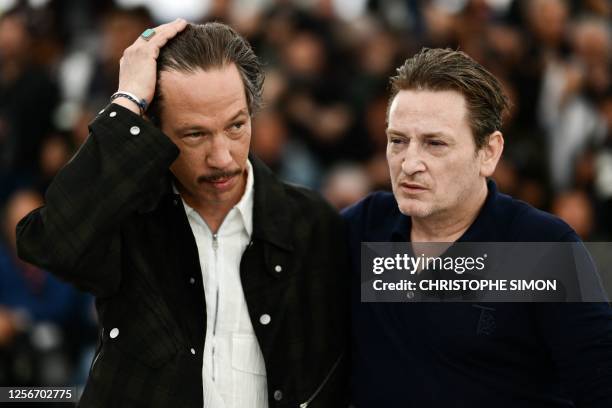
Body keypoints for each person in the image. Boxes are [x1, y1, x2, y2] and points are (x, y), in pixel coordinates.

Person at [17, 20, 348, 407]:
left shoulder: (312, 224)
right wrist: (126, 102)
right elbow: (52, 243)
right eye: (195, 134)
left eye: (237, 126)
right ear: (153, 131)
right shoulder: (129, 216)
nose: (222, 157)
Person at [342, 48, 612, 407]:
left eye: (434, 144)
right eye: (398, 141)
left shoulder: (542, 248)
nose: (409, 164)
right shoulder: (360, 228)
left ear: (489, 153)